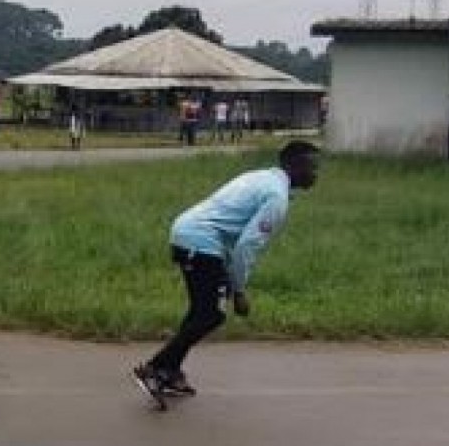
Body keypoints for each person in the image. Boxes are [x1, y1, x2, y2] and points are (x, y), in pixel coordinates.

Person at [131, 140, 321, 407]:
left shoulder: (260, 177)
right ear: (294, 165)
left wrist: (229, 278)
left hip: (189, 235)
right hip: (200, 243)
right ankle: (156, 368)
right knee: (212, 314)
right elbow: (247, 245)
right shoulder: (276, 198)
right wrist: (239, 289)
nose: (315, 174)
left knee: (201, 311)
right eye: (311, 167)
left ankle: (169, 371)